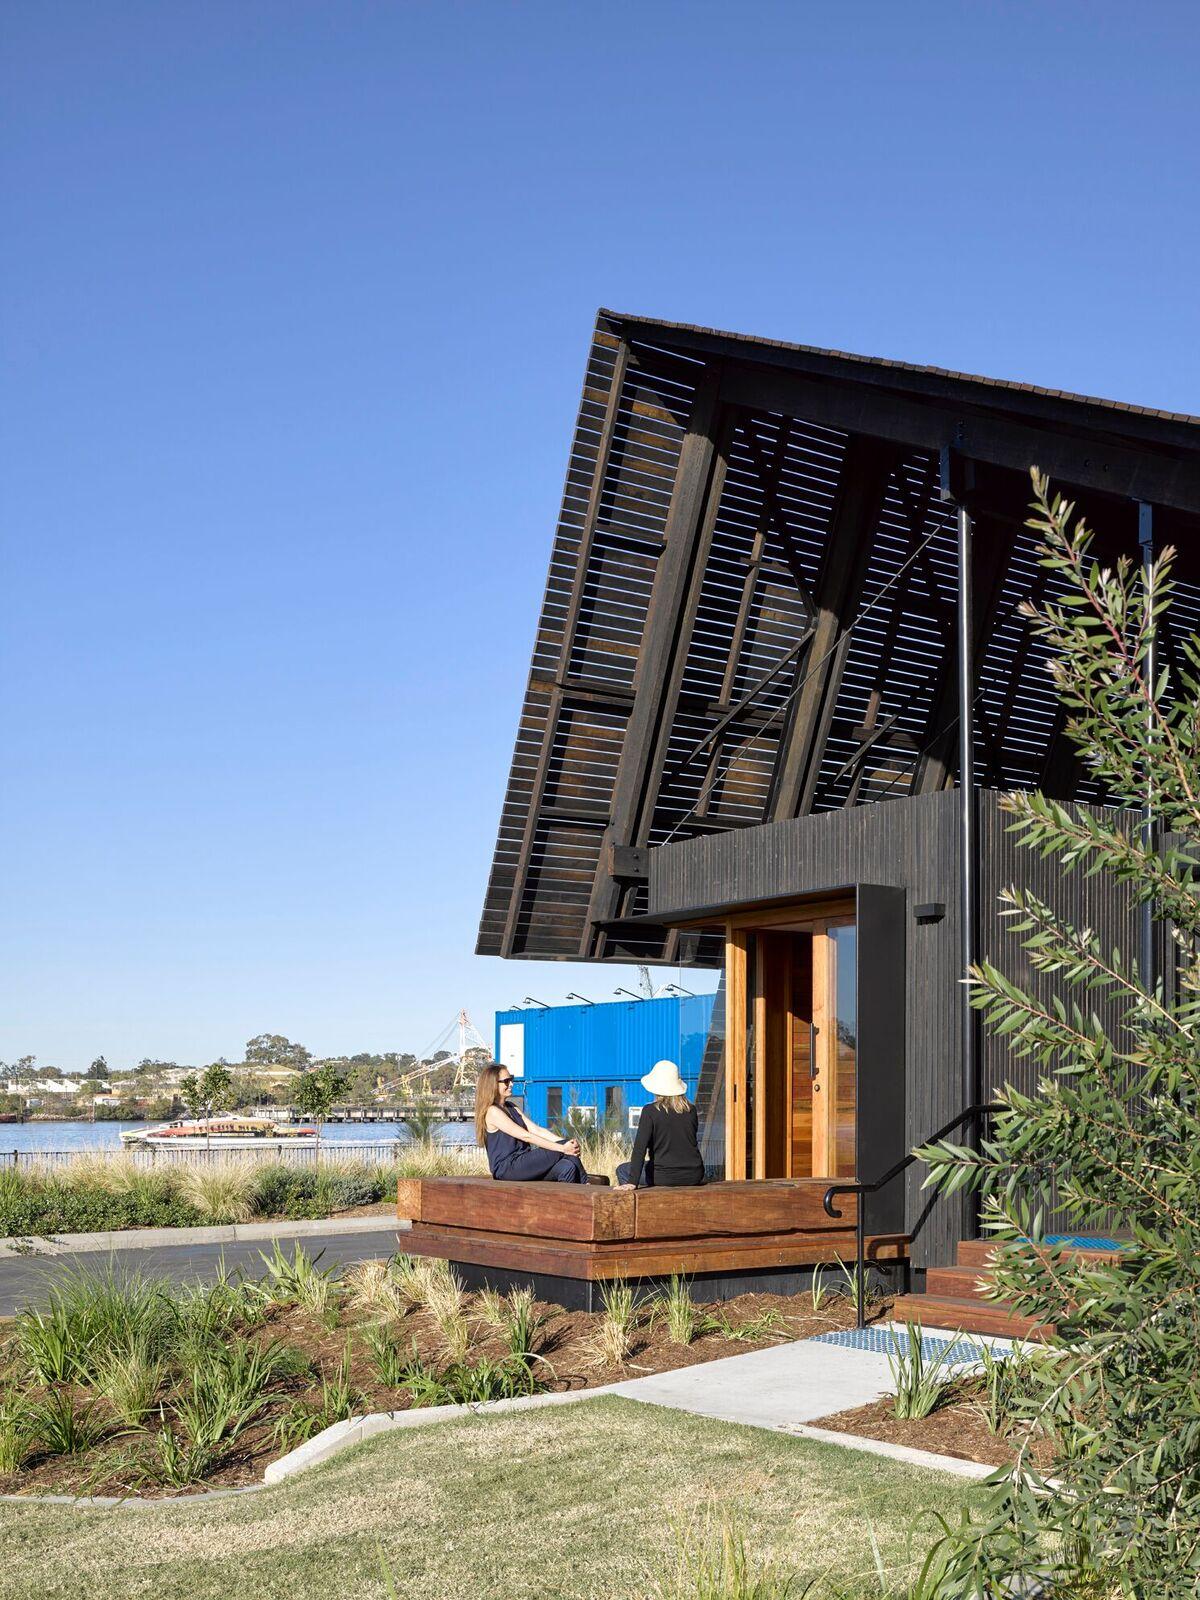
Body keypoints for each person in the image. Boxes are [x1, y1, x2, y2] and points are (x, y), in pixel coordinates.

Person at [475, 1062, 588, 1183]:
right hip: (508, 1168)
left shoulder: (511, 1107)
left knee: (567, 1167)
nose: (511, 1084)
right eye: (506, 1081)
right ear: (493, 1084)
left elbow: (536, 1130)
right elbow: (526, 1135)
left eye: (511, 1079)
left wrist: (565, 1143)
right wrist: (563, 1148)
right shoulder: (492, 1111)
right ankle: (587, 1185)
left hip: (524, 1163)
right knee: (564, 1148)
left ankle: (566, 1200)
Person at [616, 1060, 704, 1189]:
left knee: (622, 1169)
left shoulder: (650, 1111)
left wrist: (632, 1182)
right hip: (694, 1174)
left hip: (663, 1175)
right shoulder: (691, 1110)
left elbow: (640, 1149)